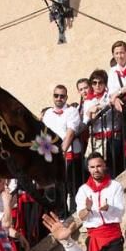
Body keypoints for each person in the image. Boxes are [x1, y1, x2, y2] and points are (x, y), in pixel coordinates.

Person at [42, 85, 84, 216]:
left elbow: (70, 133)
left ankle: (74, 214)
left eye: (62, 96)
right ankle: (61, 216)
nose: (59, 98)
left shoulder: (72, 111)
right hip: (52, 156)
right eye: (56, 95)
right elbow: (44, 135)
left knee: (72, 187)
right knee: (56, 188)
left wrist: (61, 151)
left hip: (69, 154)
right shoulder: (47, 114)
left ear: (66, 97)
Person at [82, 70, 125, 174]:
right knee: (92, 167)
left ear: (105, 83)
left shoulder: (111, 95)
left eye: (100, 82)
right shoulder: (88, 101)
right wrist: (89, 112)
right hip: (97, 140)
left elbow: (113, 106)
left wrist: (98, 107)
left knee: (112, 169)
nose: (97, 85)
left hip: (112, 137)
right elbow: (86, 121)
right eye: (94, 83)